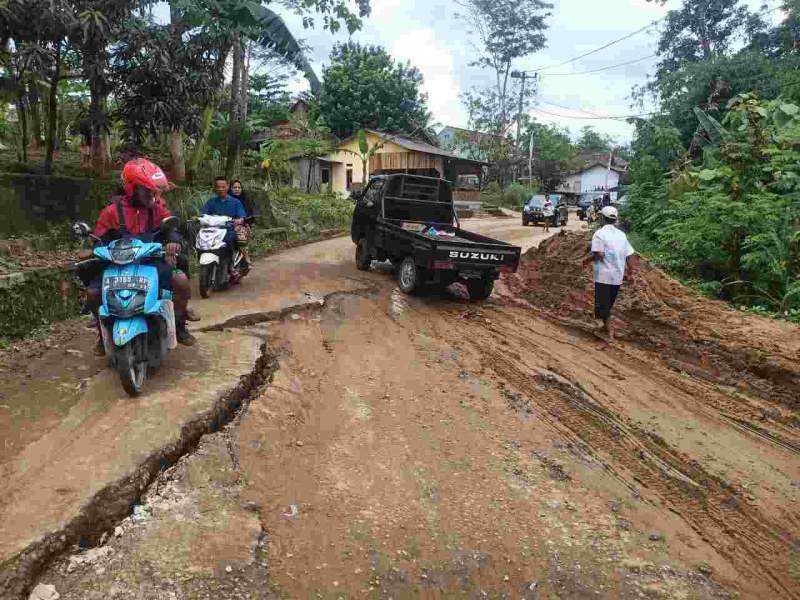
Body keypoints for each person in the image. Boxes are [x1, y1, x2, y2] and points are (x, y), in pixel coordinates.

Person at [87, 160, 197, 353]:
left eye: (154, 190)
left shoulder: (157, 207)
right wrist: (96, 248)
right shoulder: (111, 212)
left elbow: (171, 227)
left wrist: (172, 241)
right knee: (93, 293)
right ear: (131, 188)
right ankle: (101, 332)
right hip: (117, 265)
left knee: (180, 281)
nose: (152, 194)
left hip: (151, 261)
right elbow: (99, 239)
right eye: (147, 190)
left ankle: (179, 326)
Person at [582, 206, 638, 341]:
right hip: (617, 276)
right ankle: (604, 328)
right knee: (608, 304)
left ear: (602, 218)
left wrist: (586, 260)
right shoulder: (622, 235)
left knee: (603, 305)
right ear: (615, 219)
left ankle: (609, 332)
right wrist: (631, 273)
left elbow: (599, 254)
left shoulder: (599, 234)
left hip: (603, 276)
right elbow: (630, 255)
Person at [201, 176, 248, 272]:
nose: (220, 189)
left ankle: (232, 264)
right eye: (218, 187)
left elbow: (242, 216)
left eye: (223, 187)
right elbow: (203, 214)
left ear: (227, 187)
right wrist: (198, 218)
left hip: (229, 230)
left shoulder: (235, 202)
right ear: (215, 188)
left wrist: (239, 220)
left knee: (230, 240)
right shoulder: (211, 202)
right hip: (213, 231)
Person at [229, 179, 255, 268]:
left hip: (243, 227)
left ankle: (246, 258)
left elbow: (250, 216)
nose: (237, 189)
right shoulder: (226, 200)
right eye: (234, 187)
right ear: (230, 189)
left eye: (239, 187)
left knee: (241, 237)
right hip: (226, 227)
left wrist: (243, 222)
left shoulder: (246, 201)